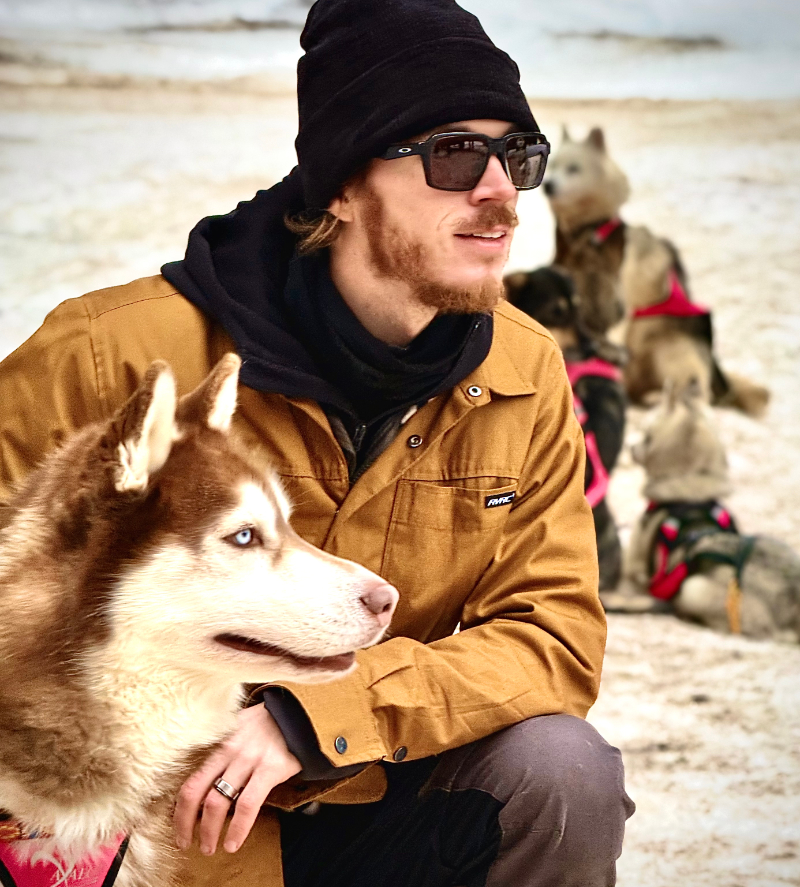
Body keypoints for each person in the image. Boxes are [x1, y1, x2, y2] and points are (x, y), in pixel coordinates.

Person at [0, 1, 634, 885]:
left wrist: (319, 712)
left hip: (387, 788)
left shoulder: (525, 371)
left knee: (565, 772)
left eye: (518, 158)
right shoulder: (107, 355)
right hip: (166, 828)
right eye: (454, 155)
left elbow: (554, 635)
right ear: (341, 184)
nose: (500, 193)